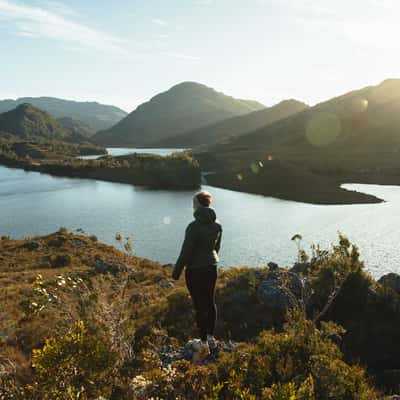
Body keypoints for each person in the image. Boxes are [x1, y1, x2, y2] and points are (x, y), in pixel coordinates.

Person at [172, 190, 222, 358]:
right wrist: (211, 259)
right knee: (210, 302)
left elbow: (186, 252)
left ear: (198, 205)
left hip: (195, 270)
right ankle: (210, 337)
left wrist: (176, 271)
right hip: (211, 267)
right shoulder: (217, 226)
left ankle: (202, 342)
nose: (192, 206)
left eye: (194, 203)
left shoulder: (193, 227)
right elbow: (216, 249)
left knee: (200, 304)